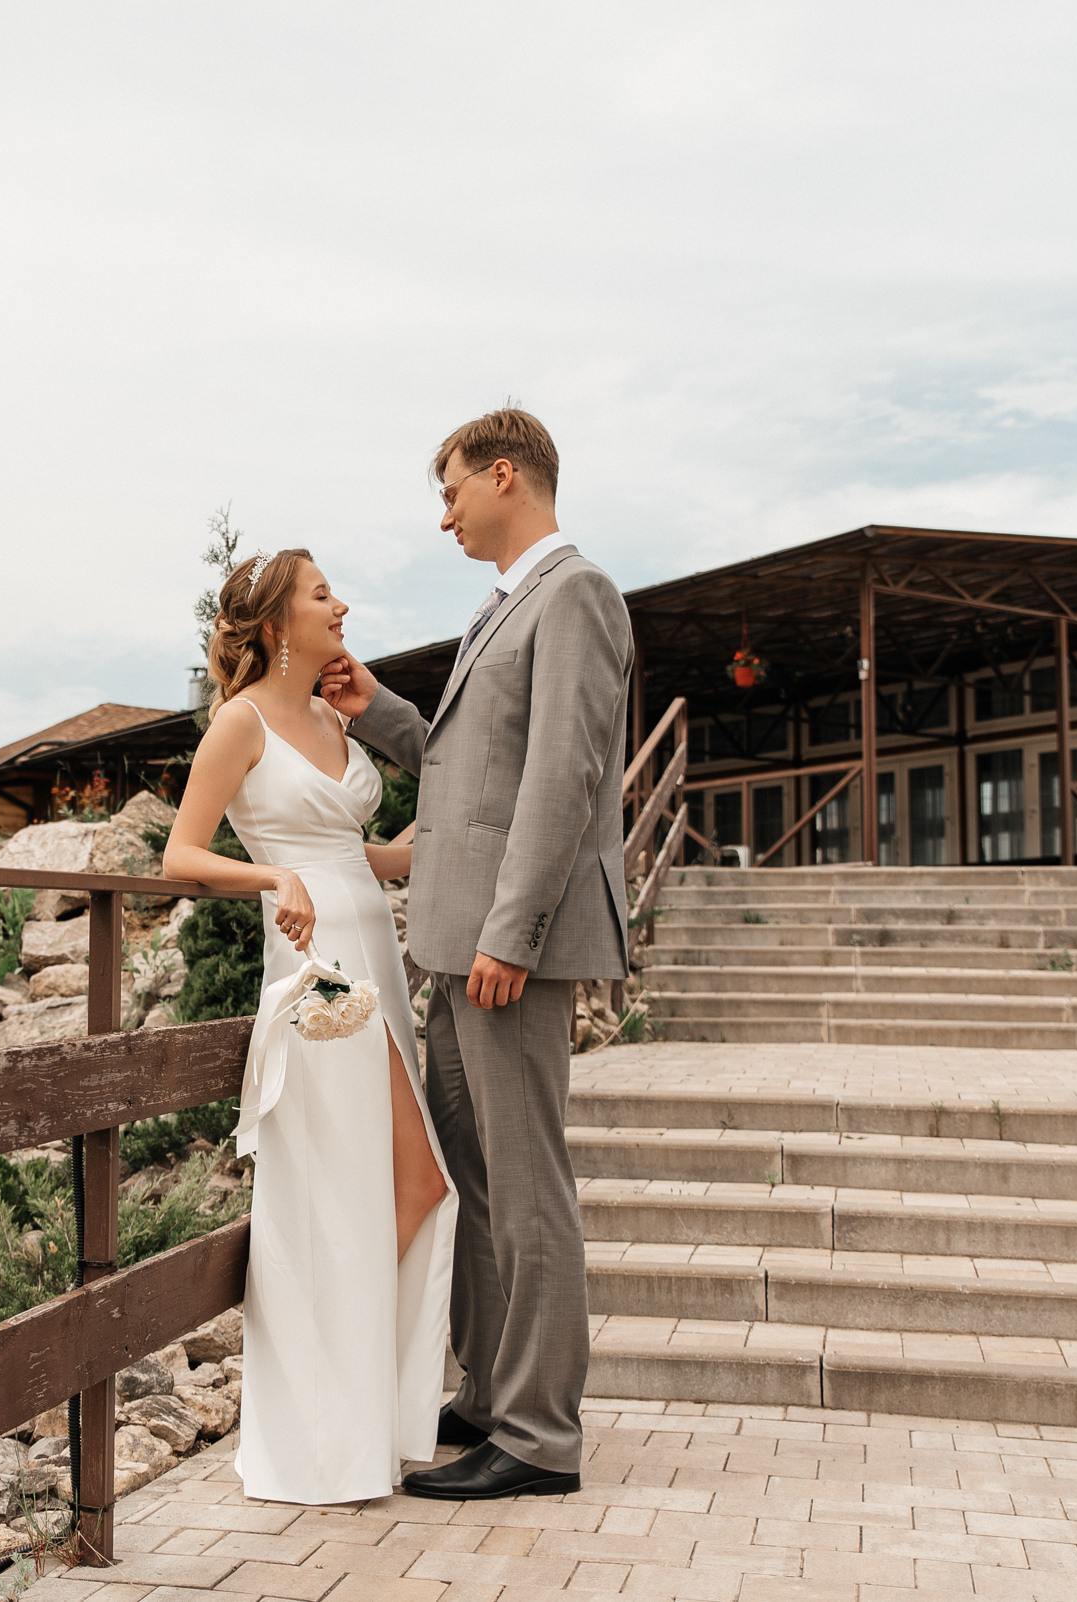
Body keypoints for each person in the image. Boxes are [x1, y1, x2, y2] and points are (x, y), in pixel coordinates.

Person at [320, 407, 634, 1501]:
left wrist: (513, 931)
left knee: (527, 1182)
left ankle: (540, 1437)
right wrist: (381, 715)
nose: (444, 512)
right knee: (477, 1183)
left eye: (452, 490)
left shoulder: (576, 593)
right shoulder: (503, 605)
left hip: (505, 946)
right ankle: (492, 1394)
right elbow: (472, 772)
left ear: (508, 476)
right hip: (450, 940)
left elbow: (562, 777)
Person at [161, 548, 457, 1506]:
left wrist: (407, 849)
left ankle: (369, 1416)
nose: (342, 604)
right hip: (314, 970)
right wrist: (273, 877)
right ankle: (323, 1441)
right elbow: (180, 855)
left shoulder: (334, 712)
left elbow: (349, 849)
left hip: (376, 946)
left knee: (410, 1186)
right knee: (342, 1191)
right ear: (279, 623)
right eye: (323, 593)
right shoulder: (238, 724)